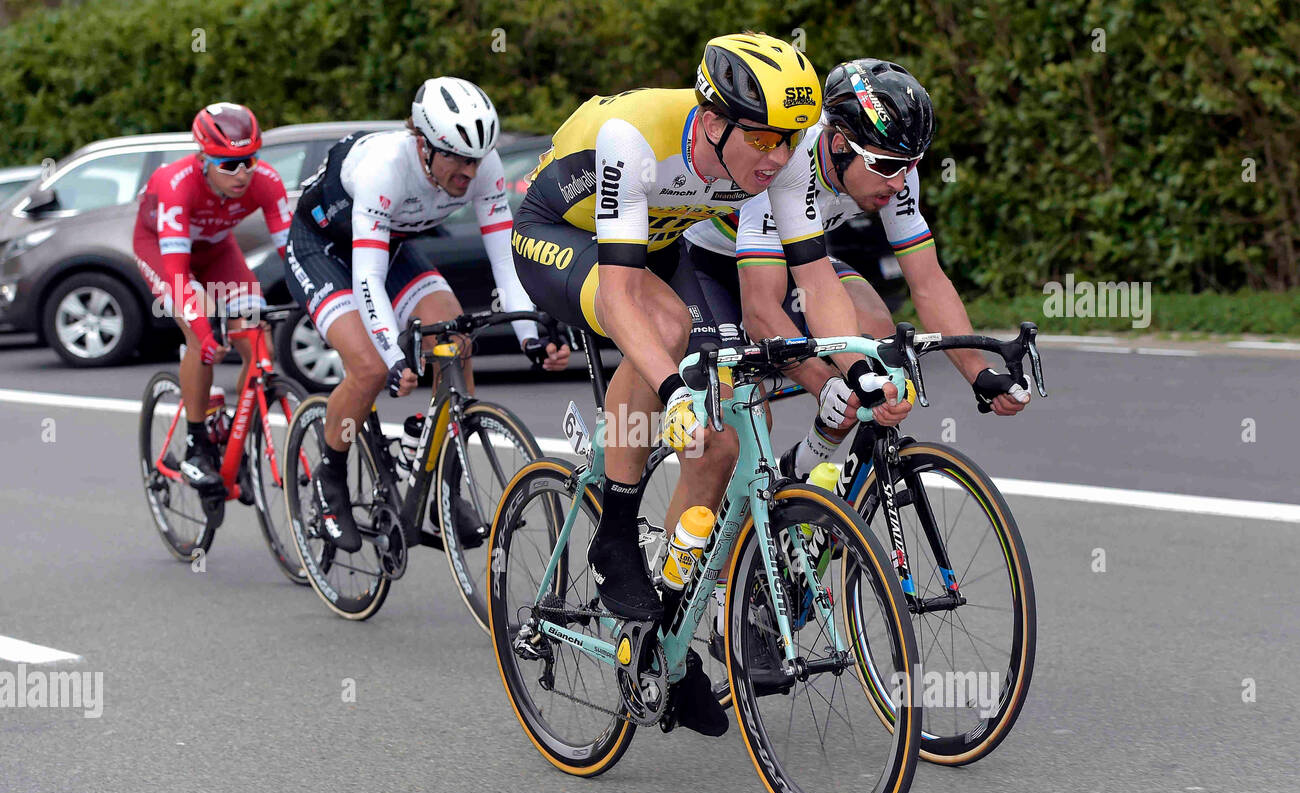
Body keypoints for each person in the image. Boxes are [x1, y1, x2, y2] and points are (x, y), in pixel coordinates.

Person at [512, 33, 907, 736]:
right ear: (714, 118)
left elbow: (816, 282)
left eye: (789, 140)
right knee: (665, 340)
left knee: (719, 447)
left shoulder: (778, 163)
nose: (777, 158)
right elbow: (624, 300)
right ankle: (615, 533)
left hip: (659, 243)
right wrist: (673, 389)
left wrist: (859, 365)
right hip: (558, 234)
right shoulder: (635, 139)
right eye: (761, 139)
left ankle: (665, 635)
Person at [684, 58, 1030, 481]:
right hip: (710, 263)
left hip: (801, 257)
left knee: (874, 342)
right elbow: (760, 311)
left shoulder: (895, 170)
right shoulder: (784, 164)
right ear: (840, 143)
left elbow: (928, 283)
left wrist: (980, 373)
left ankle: (801, 479)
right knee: (742, 418)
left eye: (912, 164)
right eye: (886, 166)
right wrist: (823, 382)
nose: (900, 182)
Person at [285, 77, 570, 554]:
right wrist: (390, 352)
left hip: (391, 248)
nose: (469, 171)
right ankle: (328, 477)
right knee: (370, 368)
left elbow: (505, 259)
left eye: (477, 158)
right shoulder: (385, 168)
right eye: (457, 157)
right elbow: (366, 279)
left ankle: (441, 482)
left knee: (456, 343)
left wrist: (530, 335)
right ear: (422, 144)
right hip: (322, 249)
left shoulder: (484, 168)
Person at [134, 102, 291, 489]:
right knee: (198, 331)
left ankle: (240, 430)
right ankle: (196, 442)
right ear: (203, 157)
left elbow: (293, 255)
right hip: (163, 251)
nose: (241, 174)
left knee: (257, 341)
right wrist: (203, 332)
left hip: (219, 252)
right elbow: (176, 272)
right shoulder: (176, 183)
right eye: (227, 164)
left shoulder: (266, 181)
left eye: (249, 161)